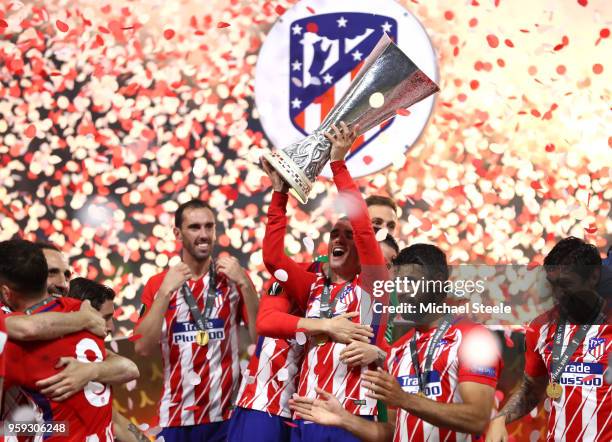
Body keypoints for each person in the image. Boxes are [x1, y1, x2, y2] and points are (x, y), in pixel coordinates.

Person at [290, 244, 503, 441]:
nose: (401, 292)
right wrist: (344, 419)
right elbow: (390, 430)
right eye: (398, 284)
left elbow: (478, 419)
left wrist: (404, 399)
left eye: (410, 282)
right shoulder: (399, 350)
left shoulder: (474, 338)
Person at [261, 121, 390, 442]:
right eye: (335, 233)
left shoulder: (373, 283)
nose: (340, 239)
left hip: (351, 415)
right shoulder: (313, 286)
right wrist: (279, 194)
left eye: (349, 236)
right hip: (307, 414)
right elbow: (274, 259)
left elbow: (362, 227)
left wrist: (338, 164)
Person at [134, 199, 259, 442]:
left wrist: (244, 283)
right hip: (175, 417)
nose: (204, 235)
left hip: (226, 416)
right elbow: (142, 347)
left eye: (209, 227)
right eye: (195, 227)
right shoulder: (158, 283)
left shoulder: (233, 279)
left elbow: (260, 339)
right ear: (178, 234)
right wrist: (164, 294)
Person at [487, 237, 611, 442]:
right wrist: (499, 419)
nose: (558, 294)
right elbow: (531, 389)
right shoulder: (541, 326)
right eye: (553, 284)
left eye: (566, 284)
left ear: (593, 277)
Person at [0, 239, 117, 440]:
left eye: (66, 274)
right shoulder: (81, 310)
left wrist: (92, 370)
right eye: (53, 272)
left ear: (6, 292)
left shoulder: (11, 340)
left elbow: (128, 366)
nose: (63, 283)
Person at [66, 277, 147, 442]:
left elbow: (113, 419)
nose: (111, 327)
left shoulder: (94, 355)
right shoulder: (49, 358)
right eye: (105, 318)